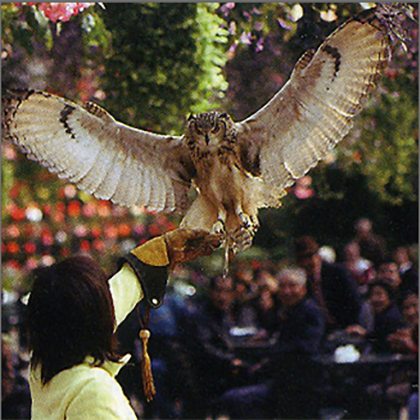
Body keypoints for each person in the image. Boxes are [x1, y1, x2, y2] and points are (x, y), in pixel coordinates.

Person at [26, 228, 220, 420]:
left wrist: (162, 251)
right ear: (97, 321)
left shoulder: (42, 366)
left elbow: (112, 297)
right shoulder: (93, 391)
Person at [294, 236, 361, 332]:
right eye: (302, 260)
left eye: (310, 258)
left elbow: (354, 300)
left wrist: (353, 325)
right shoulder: (303, 281)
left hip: (347, 327)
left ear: (318, 257)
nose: (306, 263)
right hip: (322, 330)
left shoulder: (338, 272)